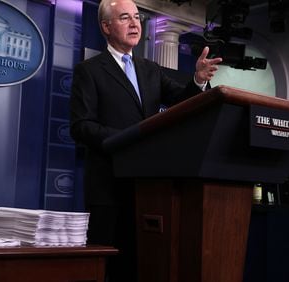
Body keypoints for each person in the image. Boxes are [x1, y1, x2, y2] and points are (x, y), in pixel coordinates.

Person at [69, 0, 222, 280]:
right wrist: (129, 139)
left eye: (137, 17)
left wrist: (198, 80)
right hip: (108, 188)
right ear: (106, 27)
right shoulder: (89, 71)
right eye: (124, 17)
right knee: (109, 270)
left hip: (148, 188)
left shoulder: (150, 68)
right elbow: (81, 127)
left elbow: (180, 102)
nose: (134, 23)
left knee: (142, 265)